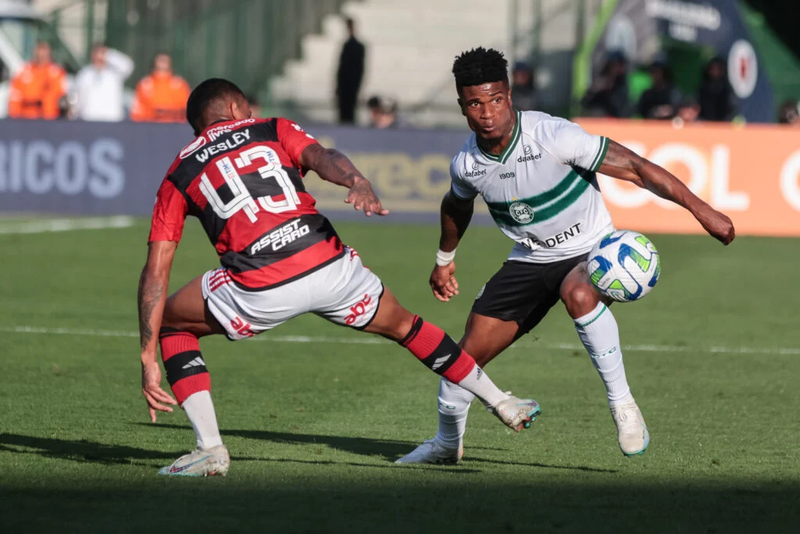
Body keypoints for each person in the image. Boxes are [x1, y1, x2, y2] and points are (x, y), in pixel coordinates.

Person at [139, 78, 540, 477]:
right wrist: (357, 181)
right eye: (248, 109)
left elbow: (157, 269)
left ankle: (210, 449)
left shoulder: (179, 171)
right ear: (233, 110)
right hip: (328, 263)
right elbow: (321, 155)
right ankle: (501, 401)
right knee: (406, 326)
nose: (252, 115)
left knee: (173, 323)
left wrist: (147, 353)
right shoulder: (271, 128)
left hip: (261, 284)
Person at [396, 47, 735, 464]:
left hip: (591, 248)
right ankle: (447, 444)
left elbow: (637, 168)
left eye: (496, 99)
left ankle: (623, 404)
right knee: (462, 361)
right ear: (463, 107)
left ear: (509, 95)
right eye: (475, 103)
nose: (488, 112)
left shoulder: (554, 135)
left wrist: (703, 211)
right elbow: (456, 205)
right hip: (530, 258)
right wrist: (444, 258)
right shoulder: (468, 163)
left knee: (578, 293)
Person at [73, 43, 134, 122]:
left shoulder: (114, 72)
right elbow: (78, 97)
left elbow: (128, 66)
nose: (98, 56)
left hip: (112, 119)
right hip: (89, 119)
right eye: (96, 52)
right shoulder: (85, 74)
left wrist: (108, 55)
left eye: (102, 52)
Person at [8, 41, 67, 120]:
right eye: (39, 53)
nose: (41, 57)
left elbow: (60, 96)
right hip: (26, 118)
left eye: (44, 54)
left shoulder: (56, 72)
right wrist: (15, 118)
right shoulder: (24, 71)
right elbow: (15, 96)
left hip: (49, 118)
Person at [131, 53, 191, 122]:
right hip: (150, 125)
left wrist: (168, 113)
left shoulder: (179, 84)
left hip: (174, 125)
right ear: (154, 62)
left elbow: (186, 108)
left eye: (165, 60)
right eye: (160, 60)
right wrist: (154, 113)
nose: (162, 62)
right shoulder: (145, 84)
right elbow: (137, 111)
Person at [581, 51, 630, 118]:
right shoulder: (600, 80)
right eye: (614, 65)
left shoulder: (623, 84)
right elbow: (584, 102)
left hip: (614, 120)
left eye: (619, 65)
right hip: (596, 119)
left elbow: (620, 108)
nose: (616, 68)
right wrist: (595, 90)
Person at [335, 17, 365, 124]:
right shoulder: (347, 45)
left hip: (352, 84)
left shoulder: (357, 46)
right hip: (344, 84)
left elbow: (360, 68)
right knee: (343, 113)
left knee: (350, 111)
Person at [698, 57, 736, 122]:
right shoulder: (703, 88)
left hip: (723, 124)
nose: (714, 71)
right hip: (706, 124)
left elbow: (732, 108)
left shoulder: (727, 89)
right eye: (712, 69)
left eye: (717, 69)